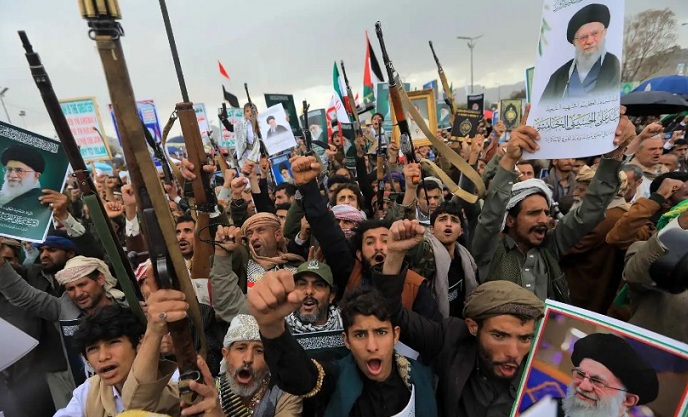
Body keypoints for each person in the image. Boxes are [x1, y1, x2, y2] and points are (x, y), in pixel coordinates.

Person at [371, 219, 544, 416]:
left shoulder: (545, 369)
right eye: (499, 336)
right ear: (473, 327)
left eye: (524, 338)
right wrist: (394, 255)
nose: (513, 352)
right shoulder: (451, 339)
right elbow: (391, 312)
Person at [471, 114, 625, 302]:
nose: (544, 220)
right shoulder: (490, 250)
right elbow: (491, 216)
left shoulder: (550, 246)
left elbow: (588, 213)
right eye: (533, 213)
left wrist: (613, 156)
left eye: (546, 212)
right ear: (510, 220)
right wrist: (510, 158)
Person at [248, 274, 439, 417]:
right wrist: (271, 326)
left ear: (395, 335)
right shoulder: (337, 377)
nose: (372, 346)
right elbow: (301, 378)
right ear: (346, 340)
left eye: (381, 332)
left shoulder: (421, 378)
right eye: (360, 335)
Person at [53, 299, 182, 416]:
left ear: (139, 344)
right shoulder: (88, 392)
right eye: (93, 349)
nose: (103, 357)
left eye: (113, 342)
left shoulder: (175, 381)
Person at [216, 314, 302, 416]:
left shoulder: (285, 393)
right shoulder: (211, 391)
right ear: (226, 355)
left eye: (259, 351)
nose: (248, 359)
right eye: (241, 348)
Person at [558, 333, 659, 417]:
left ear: (628, 399)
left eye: (596, 381)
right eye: (580, 374)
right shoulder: (553, 410)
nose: (583, 386)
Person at [540, 3, 621, 101]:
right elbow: (544, 107)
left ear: (604, 32)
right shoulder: (558, 77)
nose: (590, 41)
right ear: (574, 42)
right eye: (583, 37)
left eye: (595, 34)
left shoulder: (613, 65)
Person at [0, 145, 46, 215]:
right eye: (9, 169)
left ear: (36, 176)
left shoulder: (41, 201)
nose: (12, 175)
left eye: (19, 170)